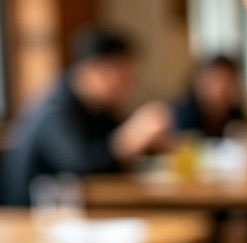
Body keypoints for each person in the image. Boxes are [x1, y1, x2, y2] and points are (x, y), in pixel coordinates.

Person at [2, 28, 171, 206]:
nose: (130, 86)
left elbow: (111, 158)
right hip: (28, 217)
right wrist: (130, 139)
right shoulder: (56, 110)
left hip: (73, 213)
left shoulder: (99, 108)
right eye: (124, 76)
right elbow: (82, 167)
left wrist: (151, 145)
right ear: (95, 69)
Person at [174, 54, 247, 139]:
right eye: (218, 81)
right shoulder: (187, 112)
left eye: (229, 83)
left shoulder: (235, 114)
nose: (222, 89)